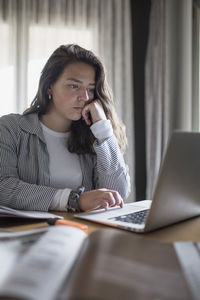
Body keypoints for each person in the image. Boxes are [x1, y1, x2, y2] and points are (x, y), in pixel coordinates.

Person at [0, 44, 131, 212]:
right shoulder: (10, 128)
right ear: (49, 87)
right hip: (29, 233)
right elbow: (3, 187)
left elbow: (118, 193)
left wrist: (103, 128)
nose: (84, 97)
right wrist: (73, 200)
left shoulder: (93, 135)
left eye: (90, 89)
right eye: (74, 86)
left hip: (83, 231)